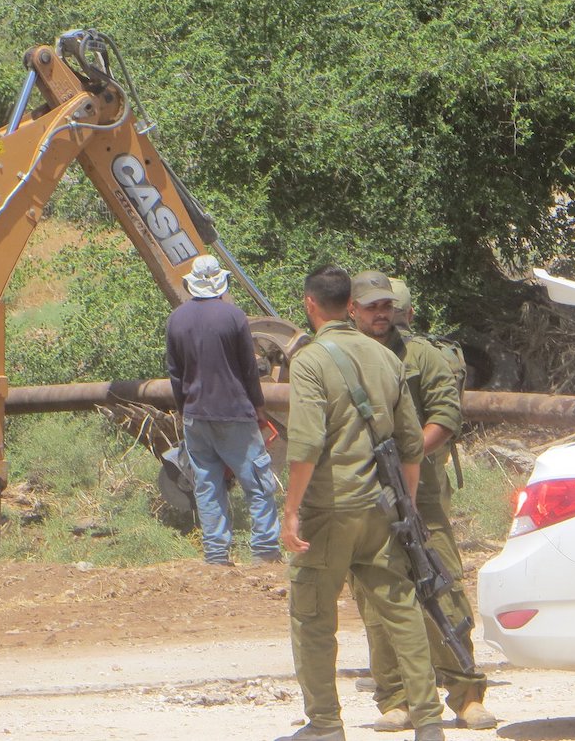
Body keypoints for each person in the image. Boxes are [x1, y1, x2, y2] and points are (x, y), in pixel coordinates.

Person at [278, 265, 444, 741]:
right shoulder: (385, 357)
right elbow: (410, 445)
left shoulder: (310, 361)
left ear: (311, 304)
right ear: (348, 304)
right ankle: (429, 722)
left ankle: (325, 725)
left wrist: (291, 512)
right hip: (381, 509)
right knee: (402, 608)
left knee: (312, 617)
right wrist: (406, 507)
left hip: (330, 512)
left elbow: (306, 446)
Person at [349, 273, 495, 731]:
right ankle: (396, 698)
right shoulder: (338, 357)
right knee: (377, 596)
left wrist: (408, 456)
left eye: (386, 306)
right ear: (351, 309)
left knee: (441, 585)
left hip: (422, 494)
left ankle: (466, 693)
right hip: (360, 494)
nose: (380, 314)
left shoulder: (424, 355)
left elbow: (446, 416)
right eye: (371, 307)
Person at [165, 254, 281, 566]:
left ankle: (216, 556)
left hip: (195, 417)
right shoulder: (234, 317)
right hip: (235, 415)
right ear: (221, 282)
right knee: (257, 482)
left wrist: (182, 410)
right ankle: (266, 552)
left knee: (207, 486)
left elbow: (175, 374)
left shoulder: (175, 320)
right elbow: (248, 370)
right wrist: (259, 408)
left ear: (192, 284)